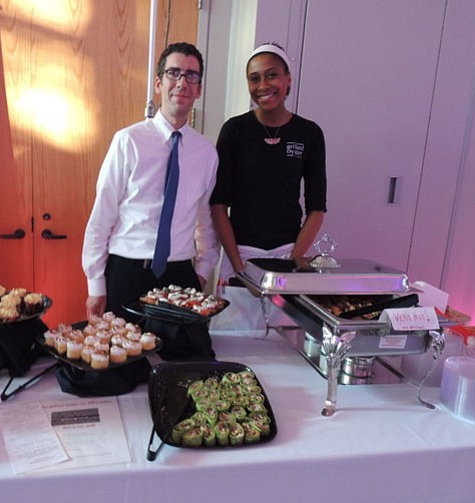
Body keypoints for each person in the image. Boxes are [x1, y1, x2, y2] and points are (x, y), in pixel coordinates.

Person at [82, 42, 219, 341]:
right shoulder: (128, 141)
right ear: (159, 83)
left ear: (199, 89)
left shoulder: (206, 153)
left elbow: (206, 219)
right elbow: (102, 214)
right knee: (122, 369)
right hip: (127, 272)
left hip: (180, 275)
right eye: (174, 73)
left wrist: (203, 272)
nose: (182, 82)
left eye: (191, 76)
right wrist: (96, 283)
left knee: (186, 364)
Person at [210, 42, 326, 284]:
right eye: (254, 78)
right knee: (236, 323)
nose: (263, 86)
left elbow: (317, 208)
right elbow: (218, 205)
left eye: (272, 75)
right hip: (239, 254)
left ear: (288, 80)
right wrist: (239, 267)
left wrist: (292, 260)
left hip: (287, 254)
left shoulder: (309, 133)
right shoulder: (234, 131)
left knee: (286, 324)